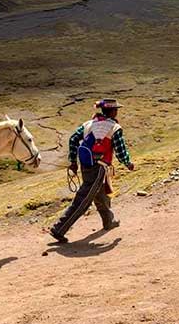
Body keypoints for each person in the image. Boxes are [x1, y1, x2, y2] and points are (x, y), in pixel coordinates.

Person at [48, 98, 135, 243]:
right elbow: (120, 150)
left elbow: (73, 140)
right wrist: (128, 163)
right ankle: (59, 228)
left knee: (101, 194)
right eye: (116, 110)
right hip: (99, 167)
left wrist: (73, 161)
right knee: (84, 199)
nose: (117, 112)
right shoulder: (114, 128)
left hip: (86, 165)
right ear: (112, 111)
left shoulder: (89, 124)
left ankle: (108, 221)